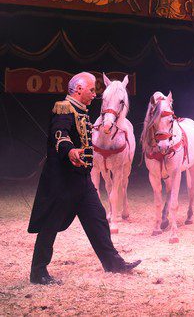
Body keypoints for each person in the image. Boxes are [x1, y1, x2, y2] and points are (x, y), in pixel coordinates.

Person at [28, 72, 141, 285]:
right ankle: (38, 271)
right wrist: (70, 151)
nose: (94, 94)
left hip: (82, 180)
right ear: (79, 89)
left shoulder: (83, 112)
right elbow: (60, 134)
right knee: (50, 225)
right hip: (63, 181)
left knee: (98, 218)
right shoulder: (63, 108)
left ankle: (113, 262)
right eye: (91, 90)